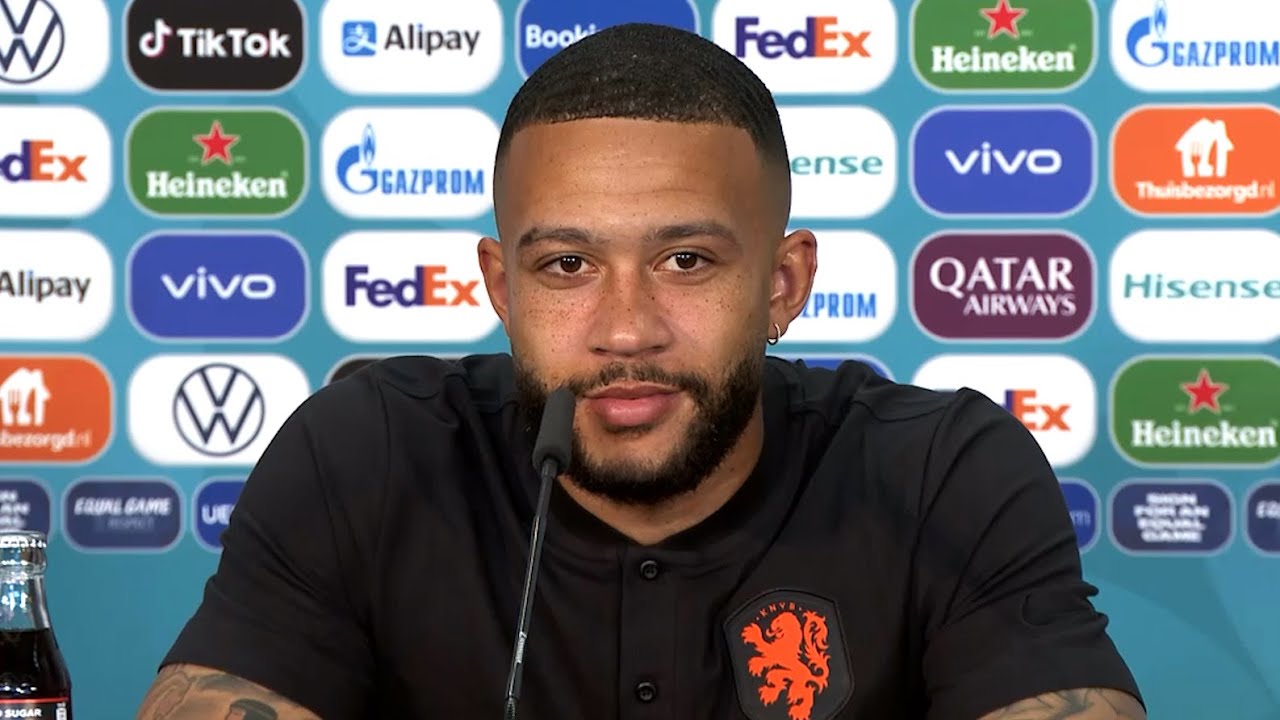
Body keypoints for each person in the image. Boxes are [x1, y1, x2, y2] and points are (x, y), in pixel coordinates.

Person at [136, 22, 1145, 720]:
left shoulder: (944, 473)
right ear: (501, 285)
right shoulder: (366, 453)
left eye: (686, 261)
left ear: (784, 283)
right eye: (566, 266)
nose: (625, 331)